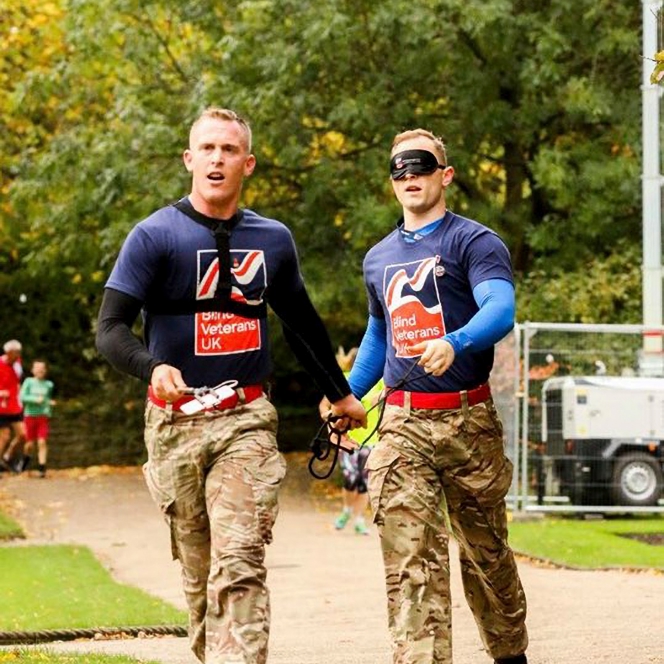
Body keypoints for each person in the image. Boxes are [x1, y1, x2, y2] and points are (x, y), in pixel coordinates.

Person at [95, 107, 365, 664]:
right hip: (175, 425)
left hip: (246, 418)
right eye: (208, 149)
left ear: (248, 162)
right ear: (189, 159)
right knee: (200, 578)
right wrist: (152, 367)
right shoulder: (154, 236)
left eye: (229, 150)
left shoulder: (273, 240)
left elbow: (302, 325)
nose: (218, 159)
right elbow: (110, 328)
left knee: (239, 558)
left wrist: (339, 394)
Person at [325, 129, 528, 664]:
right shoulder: (378, 258)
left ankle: (511, 653)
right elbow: (378, 336)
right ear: (392, 182)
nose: (410, 176)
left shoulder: (474, 242)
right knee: (410, 558)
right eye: (399, 169)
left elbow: (499, 310)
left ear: (446, 174)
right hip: (402, 426)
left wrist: (456, 341)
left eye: (420, 166)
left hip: (470, 423)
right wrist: (347, 395)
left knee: (487, 558)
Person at [332, 346, 383, 536]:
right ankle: (346, 510)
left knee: (364, 482)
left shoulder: (380, 380)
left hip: (372, 440)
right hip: (349, 440)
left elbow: (387, 393)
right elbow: (327, 403)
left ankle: (360, 519)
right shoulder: (345, 380)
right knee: (350, 479)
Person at [17, 359, 56, 477]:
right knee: (29, 444)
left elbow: (47, 399)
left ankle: (42, 468)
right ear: (33, 370)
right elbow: (22, 397)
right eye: (37, 368)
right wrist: (35, 399)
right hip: (30, 416)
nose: (40, 370)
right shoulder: (29, 382)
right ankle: (25, 459)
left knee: (42, 442)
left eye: (42, 368)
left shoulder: (49, 384)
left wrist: (49, 405)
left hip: (42, 417)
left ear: (45, 370)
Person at [0, 339, 25, 473]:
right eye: (16, 352)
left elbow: (18, 380)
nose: (18, 355)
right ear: (8, 352)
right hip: (1, 407)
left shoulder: (17, 363)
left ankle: (7, 456)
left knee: (22, 435)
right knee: (5, 435)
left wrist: (19, 395)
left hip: (15, 406)